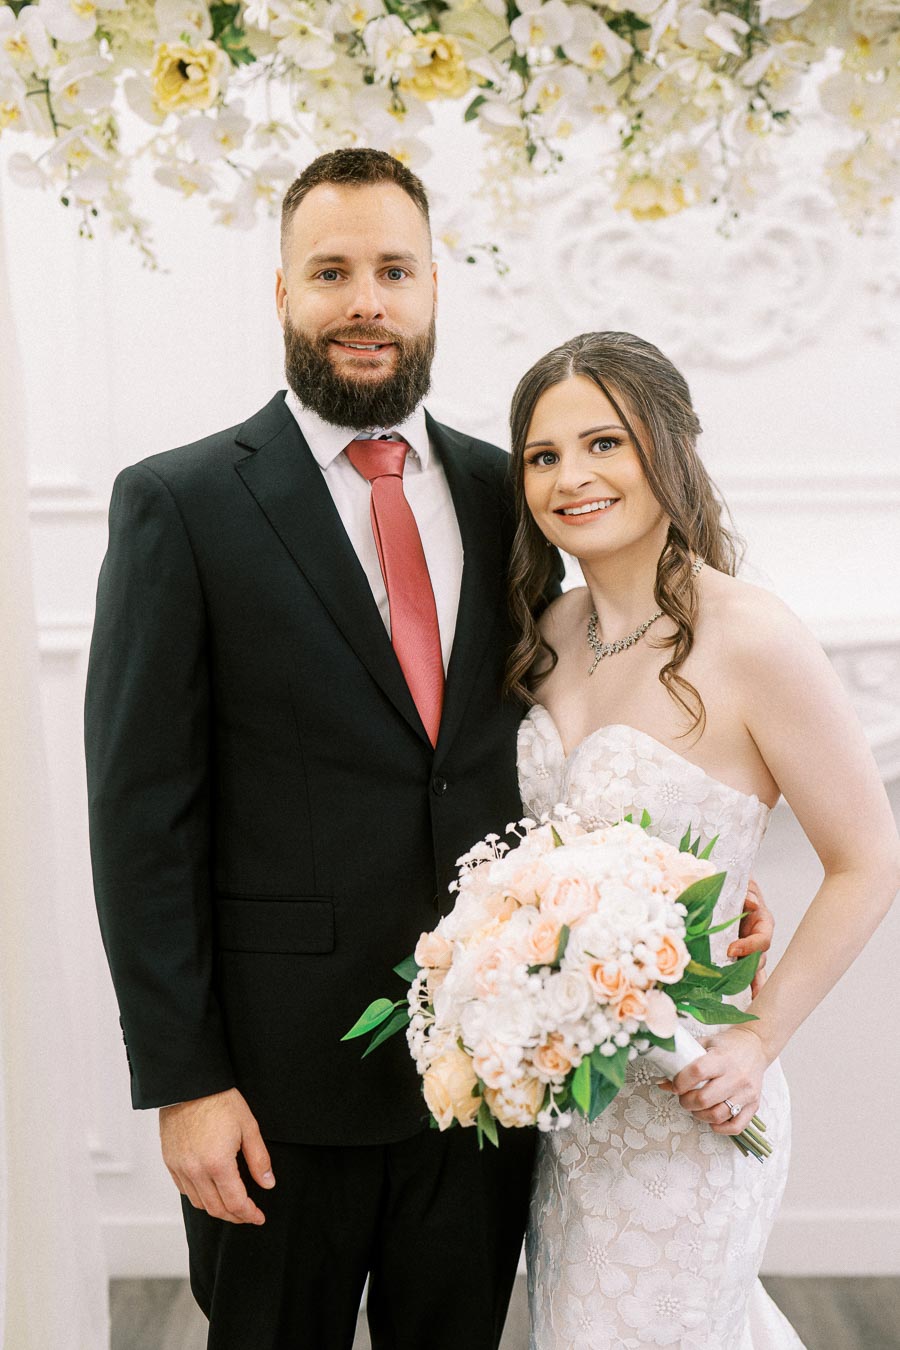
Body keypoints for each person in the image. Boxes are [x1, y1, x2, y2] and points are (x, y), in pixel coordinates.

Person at [84, 151, 772, 1350]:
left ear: (435, 287)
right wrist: (185, 1082)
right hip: (275, 1085)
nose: (367, 301)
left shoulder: (519, 493)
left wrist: (686, 893)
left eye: (393, 270)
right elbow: (142, 816)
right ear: (283, 292)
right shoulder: (179, 503)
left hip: (496, 1073)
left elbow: (575, 721)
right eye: (333, 272)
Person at [506, 330, 900, 1349]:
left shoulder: (753, 638)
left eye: (604, 443)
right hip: (576, 1113)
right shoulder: (543, 637)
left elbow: (870, 858)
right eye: (544, 456)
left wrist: (758, 1038)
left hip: (695, 1102)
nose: (571, 477)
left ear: (668, 452)